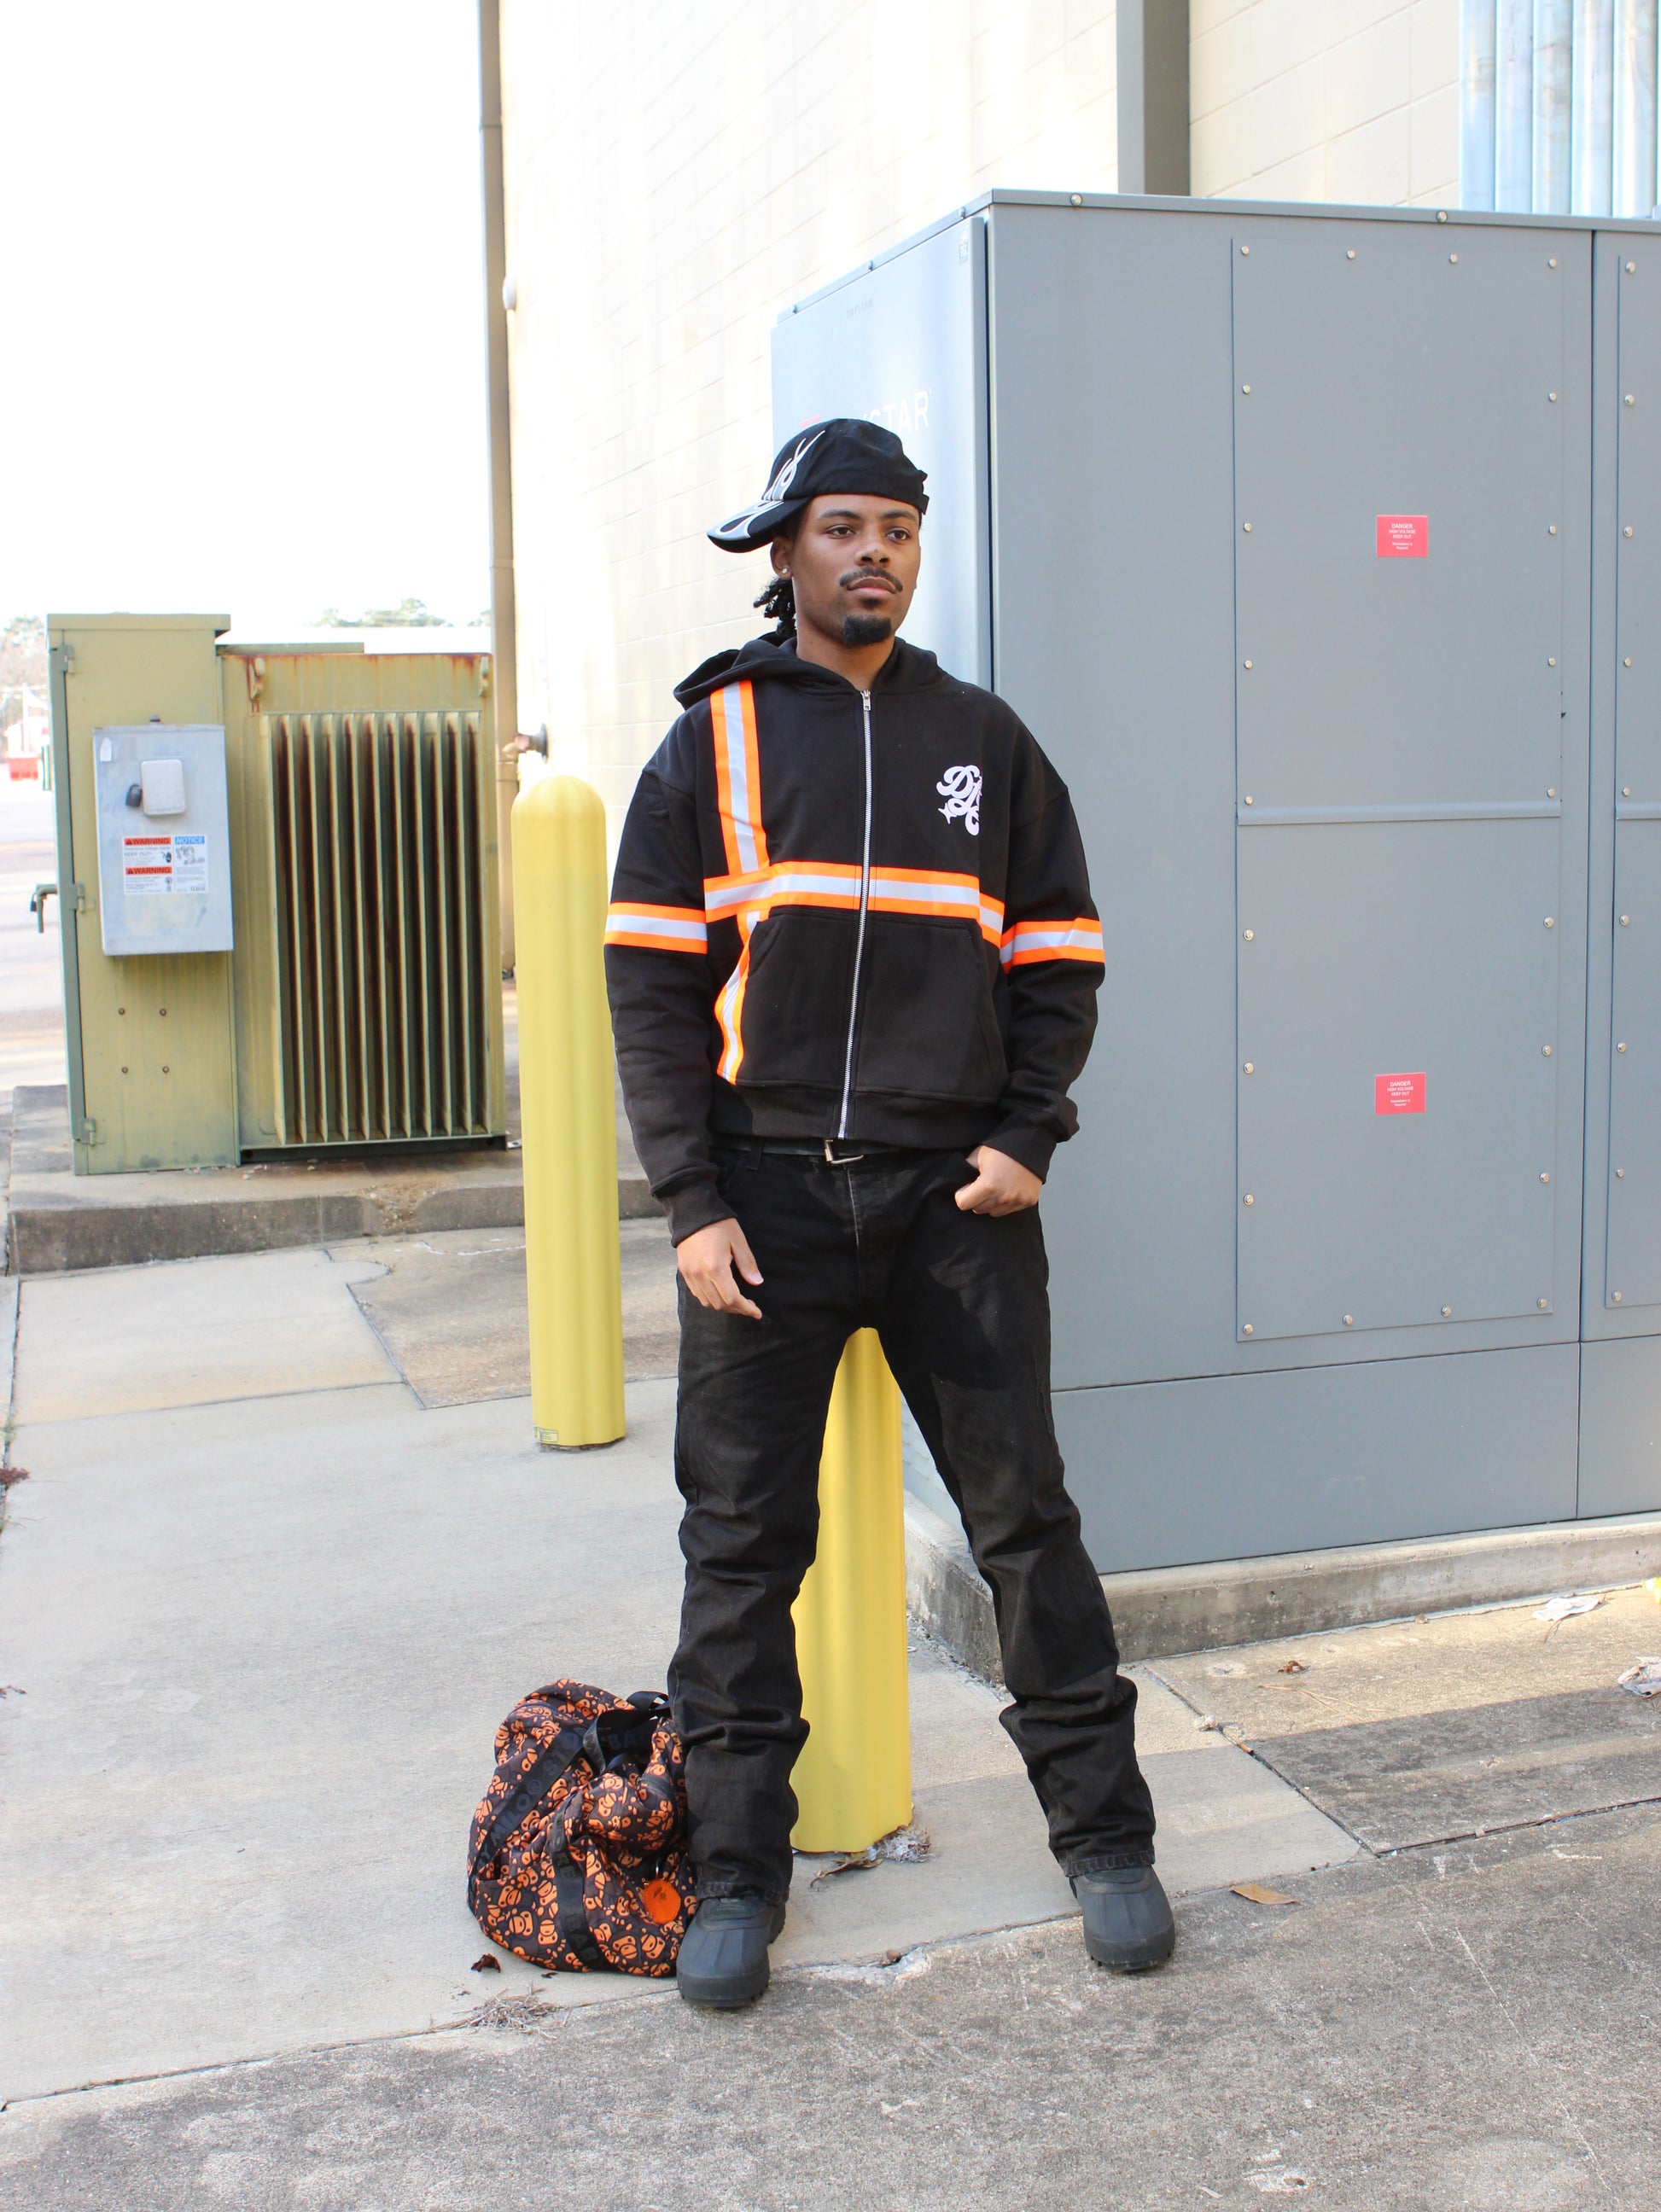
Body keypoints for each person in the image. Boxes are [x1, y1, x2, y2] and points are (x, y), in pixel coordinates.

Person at [604, 418, 1171, 2009]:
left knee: (1024, 1527)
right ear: (785, 550)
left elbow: (1059, 955)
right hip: (762, 1206)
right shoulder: (708, 746)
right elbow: (649, 992)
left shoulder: (984, 740)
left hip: (952, 1205)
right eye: (844, 527)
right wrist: (690, 1201)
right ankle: (735, 1873)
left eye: (898, 530)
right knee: (740, 1548)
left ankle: (1107, 1843)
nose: (874, 554)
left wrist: (1027, 1133)